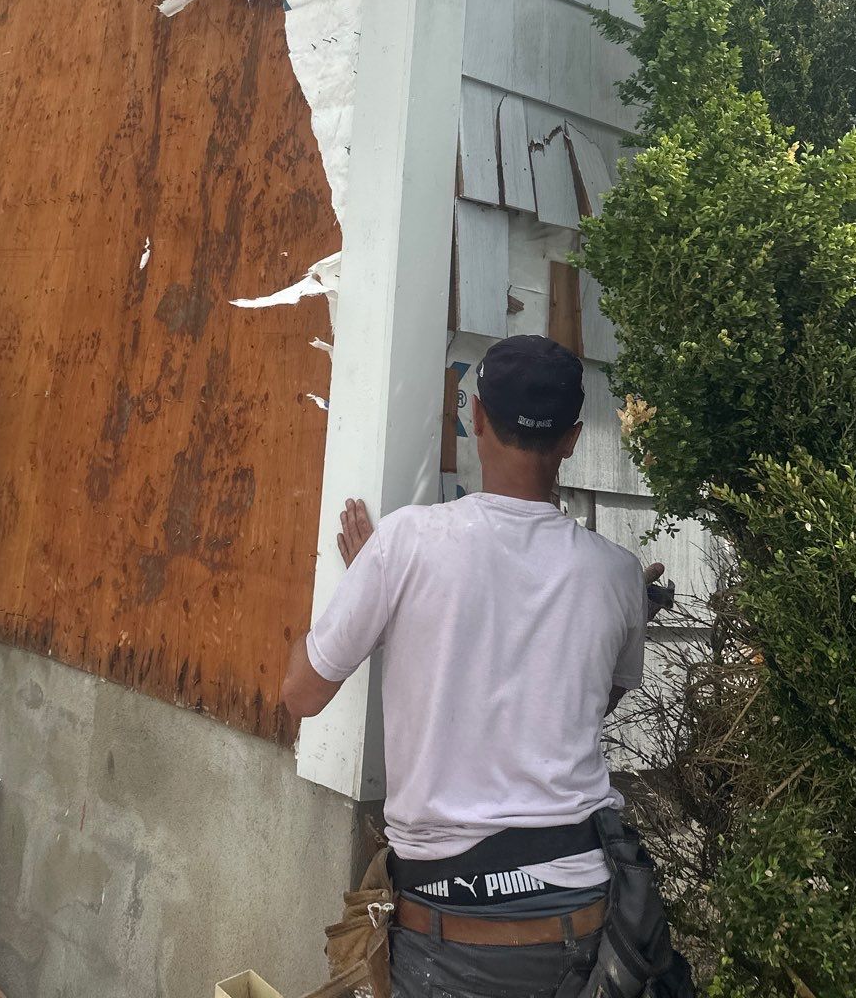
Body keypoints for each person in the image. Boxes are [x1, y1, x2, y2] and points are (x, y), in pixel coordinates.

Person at [282, 335, 662, 998]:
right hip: (590, 915)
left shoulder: (407, 544)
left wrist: (375, 586)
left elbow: (302, 694)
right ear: (573, 440)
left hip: (457, 931)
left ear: (477, 416)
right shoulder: (618, 575)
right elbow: (582, 707)